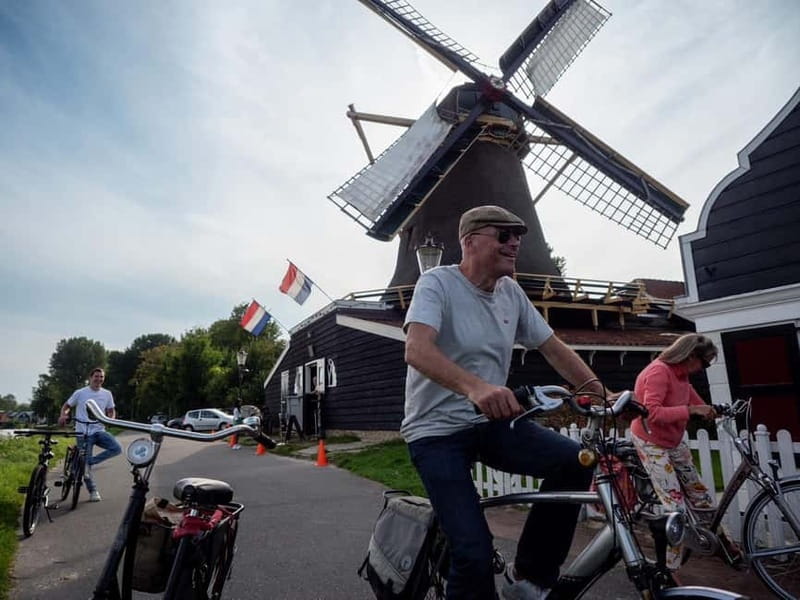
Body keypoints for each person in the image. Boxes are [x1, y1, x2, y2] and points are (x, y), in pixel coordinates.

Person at [403, 205, 607, 600]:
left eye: (519, 235)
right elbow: (416, 350)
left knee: (575, 460)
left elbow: (552, 347)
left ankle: (528, 576)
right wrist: (475, 388)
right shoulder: (437, 284)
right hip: (435, 432)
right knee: (473, 554)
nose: (515, 242)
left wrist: (600, 391)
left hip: (489, 425)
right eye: (504, 234)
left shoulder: (510, 293)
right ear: (470, 240)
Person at [629, 333, 742, 571]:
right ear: (691, 356)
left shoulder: (682, 376)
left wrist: (715, 411)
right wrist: (691, 411)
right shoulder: (659, 372)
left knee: (699, 496)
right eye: (705, 363)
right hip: (651, 441)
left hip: (674, 440)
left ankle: (721, 545)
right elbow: (652, 413)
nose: (704, 368)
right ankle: (670, 568)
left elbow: (697, 404)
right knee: (676, 508)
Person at [58, 367, 122, 502]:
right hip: (83, 432)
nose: (99, 379)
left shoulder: (107, 394)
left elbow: (111, 410)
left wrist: (111, 418)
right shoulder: (80, 393)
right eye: (96, 376)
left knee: (116, 448)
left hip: (99, 430)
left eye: (101, 377)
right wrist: (64, 415)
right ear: (90, 378)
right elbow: (67, 406)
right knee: (85, 467)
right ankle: (93, 491)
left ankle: (87, 462)